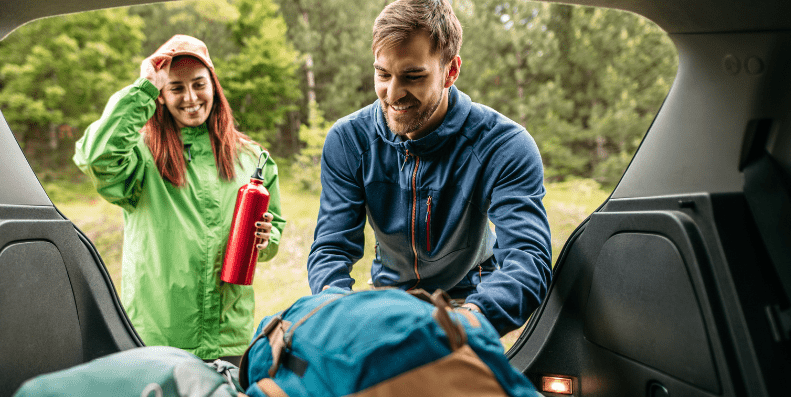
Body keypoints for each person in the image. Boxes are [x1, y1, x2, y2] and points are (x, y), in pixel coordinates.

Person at [307, 0, 551, 336]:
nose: (392, 94)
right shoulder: (348, 140)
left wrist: (464, 323)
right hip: (389, 300)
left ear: (451, 71)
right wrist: (336, 312)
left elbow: (528, 260)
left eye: (413, 76)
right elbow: (332, 248)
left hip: (472, 301)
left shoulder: (503, 144)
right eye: (382, 73)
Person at [74, 35, 285, 361]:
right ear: (160, 96)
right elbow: (96, 156)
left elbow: (273, 236)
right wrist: (143, 87)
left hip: (230, 339)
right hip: (157, 339)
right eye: (175, 88)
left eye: (199, 84)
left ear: (214, 86)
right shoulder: (141, 156)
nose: (190, 97)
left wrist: (265, 238)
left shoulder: (252, 158)